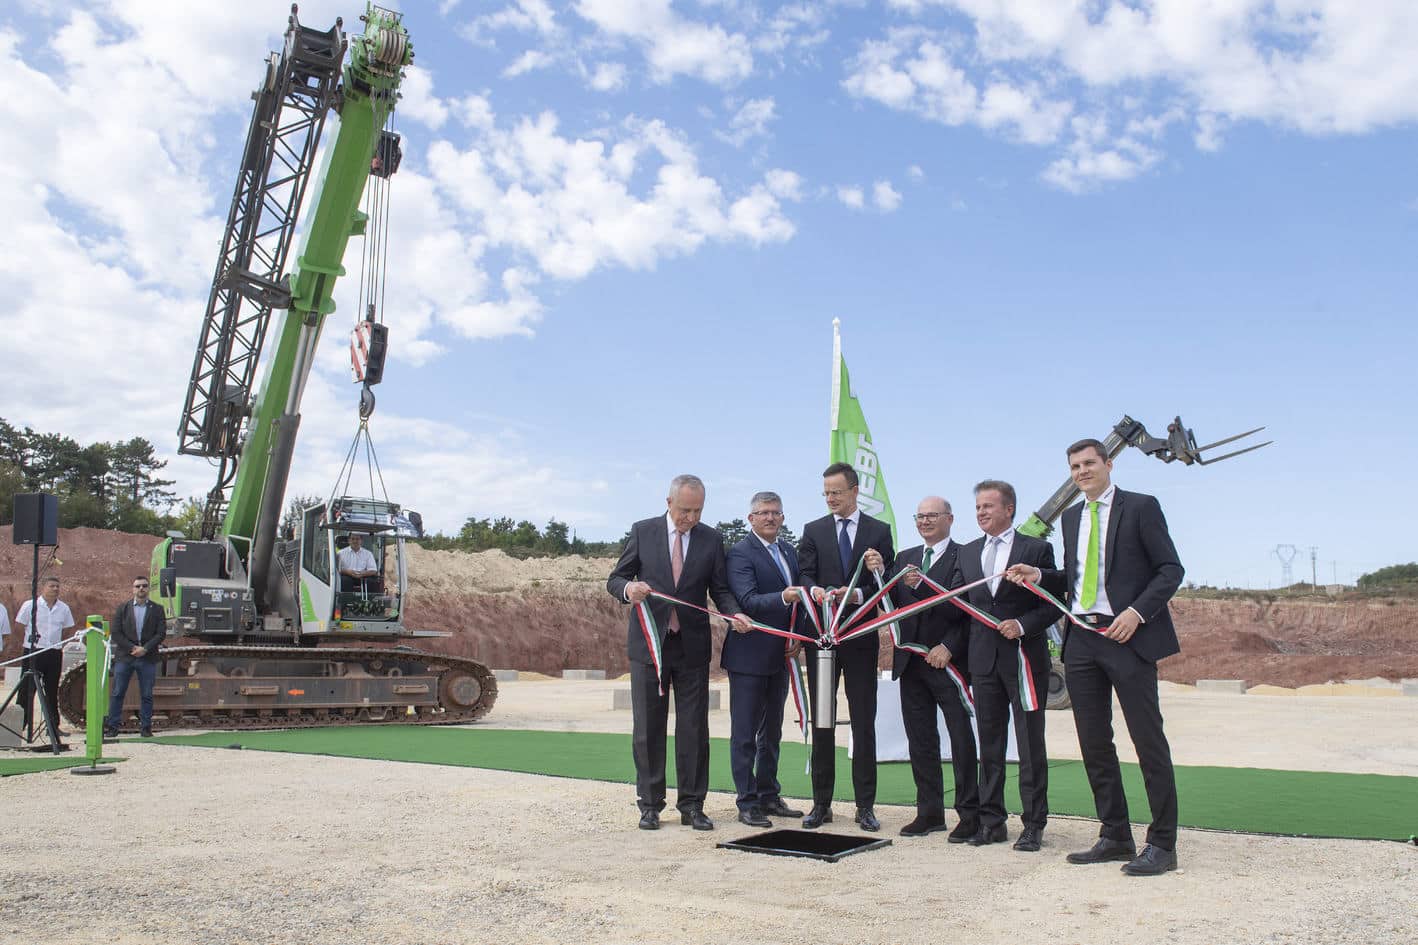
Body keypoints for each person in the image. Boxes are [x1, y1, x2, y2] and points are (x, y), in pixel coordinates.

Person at [1006, 438, 1184, 876]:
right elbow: (1077, 577)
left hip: (1127, 635)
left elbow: (1170, 570)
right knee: (1093, 741)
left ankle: (1163, 843)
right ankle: (1115, 833)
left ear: (1108, 464)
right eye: (1074, 466)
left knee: (1147, 739)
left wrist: (1137, 613)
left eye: (1089, 463)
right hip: (1081, 638)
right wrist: (1041, 575)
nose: (1082, 471)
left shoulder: (1141, 507)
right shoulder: (1071, 517)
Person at [607, 475, 752, 831]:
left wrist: (734, 613)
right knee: (648, 728)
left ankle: (692, 805)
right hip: (649, 647)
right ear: (669, 502)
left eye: (697, 510)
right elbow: (615, 579)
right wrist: (630, 588)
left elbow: (720, 588)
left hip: (691, 648)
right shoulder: (643, 532)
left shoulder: (711, 539)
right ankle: (650, 805)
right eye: (685, 510)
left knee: (693, 729)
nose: (690, 517)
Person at [949, 480, 1056, 851]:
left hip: (1024, 659)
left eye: (988, 506)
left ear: (1008, 509)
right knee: (990, 746)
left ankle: (1033, 824)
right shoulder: (967, 552)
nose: (981, 513)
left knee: (1029, 744)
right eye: (977, 507)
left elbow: (1051, 603)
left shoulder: (1037, 549)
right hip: (983, 661)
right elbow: (959, 604)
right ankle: (992, 821)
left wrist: (1023, 625)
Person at [797, 461, 894, 831]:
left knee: (863, 722)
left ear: (854, 490)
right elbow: (803, 574)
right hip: (821, 639)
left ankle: (865, 806)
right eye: (826, 493)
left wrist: (860, 591)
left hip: (859, 638)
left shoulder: (878, 531)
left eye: (836, 492)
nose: (830, 499)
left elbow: (886, 583)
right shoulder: (813, 530)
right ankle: (821, 804)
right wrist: (815, 590)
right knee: (823, 722)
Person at [887, 496, 979, 841]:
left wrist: (950, 647)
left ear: (949, 519)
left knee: (960, 738)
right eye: (920, 516)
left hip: (947, 662)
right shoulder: (905, 558)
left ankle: (969, 813)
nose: (924, 521)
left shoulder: (965, 555)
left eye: (932, 516)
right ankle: (929, 812)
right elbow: (892, 603)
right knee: (920, 740)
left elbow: (965, 607)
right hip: (910, 663)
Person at [723, 491, 806, 828]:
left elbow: (801, 600)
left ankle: (769, 794)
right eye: (763, 513)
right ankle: (747, 801)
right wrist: (784, 597)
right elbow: (747, 600)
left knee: (772, 732)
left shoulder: (789, 551)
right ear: (751, 519)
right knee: (744, 733)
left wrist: (796, 635)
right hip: (748, 656)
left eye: (776, 513)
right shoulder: (741, 553)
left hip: (781, 654)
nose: (770, 518)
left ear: (783, 518)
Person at [104, 575, 168, 737]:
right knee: (118, 692)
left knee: (146, 694)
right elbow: (116, 633)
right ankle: (113, 727)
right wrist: (133, 648)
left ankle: (146, 727)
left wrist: (145, 648)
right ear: (133, 589)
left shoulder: (157, 609)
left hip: (147, 657)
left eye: (144, 586)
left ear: (148, 589)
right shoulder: (122, 608)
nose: (141, 589)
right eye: (138, 586)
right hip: (126, 657)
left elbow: (160, 633)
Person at [15, 576, 75, 738]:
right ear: (43, 587)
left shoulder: (63, 608)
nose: (55, 589)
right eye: (51, 586)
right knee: (26, 689)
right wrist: (28, 642)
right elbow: (20, 626)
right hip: (33, 652)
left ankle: (53, 726)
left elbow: (68, 628)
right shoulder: (31, 605)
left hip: (53, 652)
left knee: (51, 689)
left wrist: (59, 643)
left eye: (57, 586)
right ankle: (19, 725)